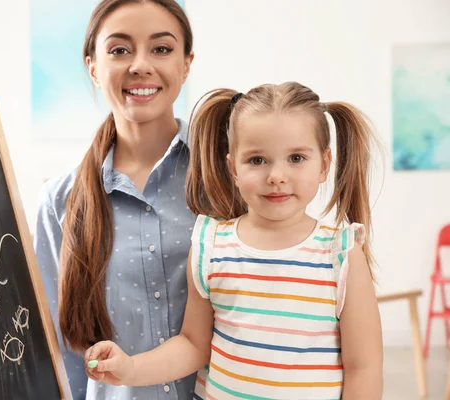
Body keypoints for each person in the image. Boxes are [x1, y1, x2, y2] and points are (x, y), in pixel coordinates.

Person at [84, 82, 384, 399]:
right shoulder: (211, 244)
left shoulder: (341, 253)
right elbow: (192, 345)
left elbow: (363, 367)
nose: (276, 176)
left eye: (296, 158)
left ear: (324, 165)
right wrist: (131, 368)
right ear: (233, 168)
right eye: (257, 160)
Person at [34, 0, 197, 398]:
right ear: (92, 66)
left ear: (186, 63)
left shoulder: (229, 176)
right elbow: (61, 351)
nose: (140, 65)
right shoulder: (61, 202)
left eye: (161, 48)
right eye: (119, 50)